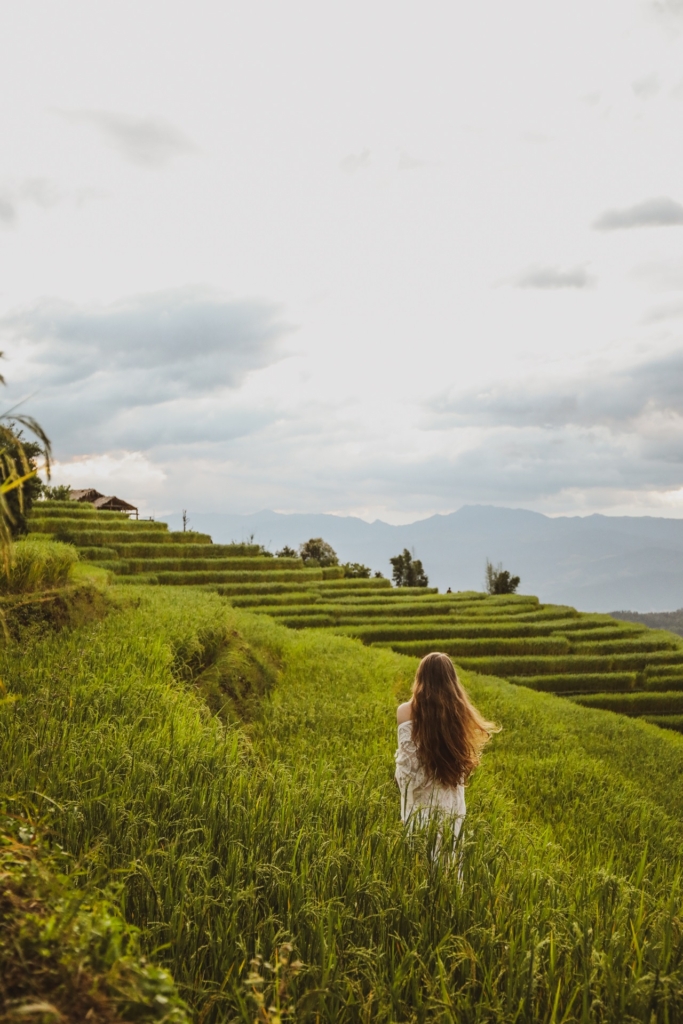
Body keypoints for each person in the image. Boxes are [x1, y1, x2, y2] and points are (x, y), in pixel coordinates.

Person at [394, 652, 499, 859]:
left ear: (420, 678)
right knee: (450, 872)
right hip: (452, 809)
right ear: (452, 681)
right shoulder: (458, 713)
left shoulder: (406, 712)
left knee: (422, 873)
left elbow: (407, 775)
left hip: (421, 811)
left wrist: (405, 812)